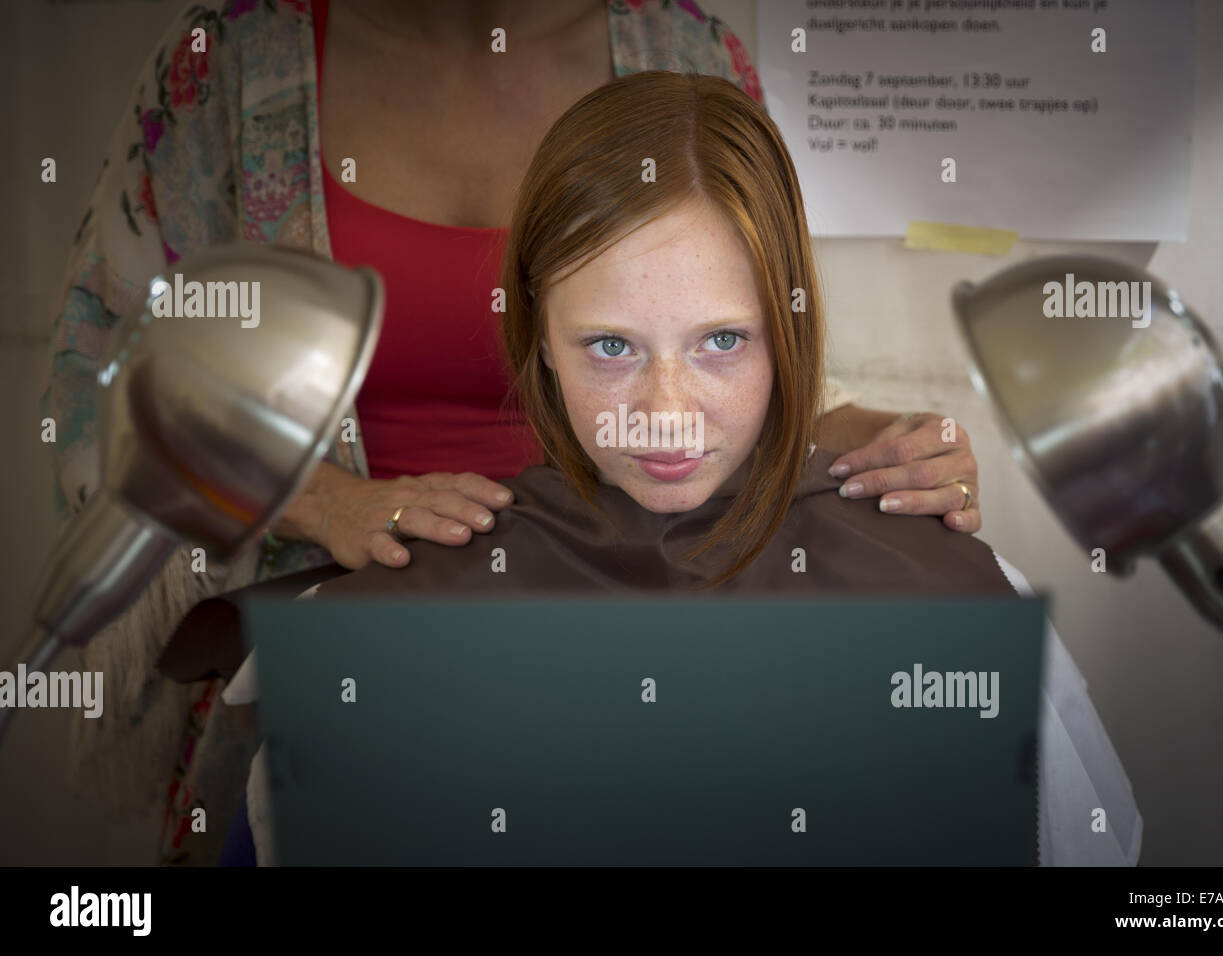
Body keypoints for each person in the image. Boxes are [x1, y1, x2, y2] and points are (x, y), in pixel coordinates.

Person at [41, 0, 984, 865]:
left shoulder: (684, 47)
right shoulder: (230, 57)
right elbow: (111, 379)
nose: (660, 397)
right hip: (355, 618)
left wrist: (871, 433)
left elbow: (725, 326)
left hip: (630, 597)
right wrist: (323, 502)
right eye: (603, 343)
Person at [221, 70, 1141, 865]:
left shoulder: (966, 602)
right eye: (610, 344)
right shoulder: (361, 650)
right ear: (538, 337)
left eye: (723, 341)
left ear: (789, 332)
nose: (664, 415)